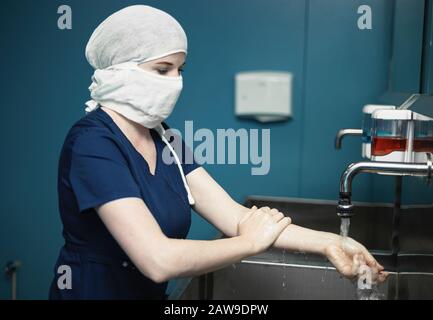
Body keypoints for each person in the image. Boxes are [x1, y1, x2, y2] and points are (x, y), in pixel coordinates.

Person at [49, 5, 387, 300]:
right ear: (119, 70)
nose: (176, 82)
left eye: (180, 70)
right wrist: (249, 244)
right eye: (163, 69)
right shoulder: (93, 145)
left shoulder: (164, 139)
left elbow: (236, 217)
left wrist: (330, 243)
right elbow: (158, 260)